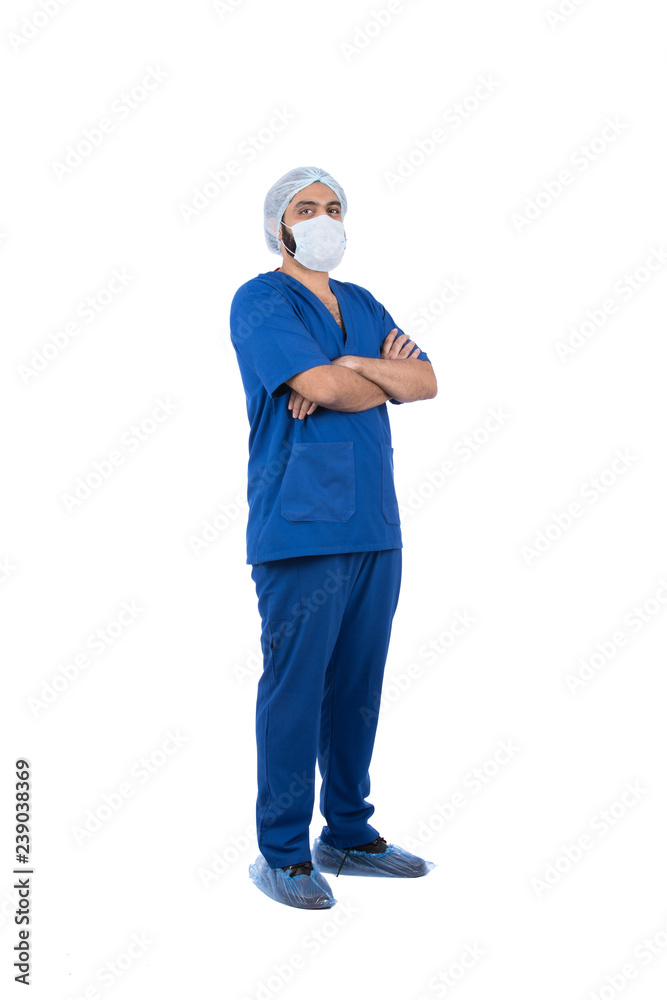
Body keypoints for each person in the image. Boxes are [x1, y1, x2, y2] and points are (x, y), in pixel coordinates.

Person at [230, 166, 437, 910]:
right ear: (279, 226)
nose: (324, 218)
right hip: (300, 528)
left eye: (334, 207)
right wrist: (359, 379)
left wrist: (347, 366)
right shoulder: (260, 300)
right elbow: (319, 388)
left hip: (374, 526)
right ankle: (283, 854)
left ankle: (347, 833)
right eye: (306, 208)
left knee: (357, 687)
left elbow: (425, 382)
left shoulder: (362, 302)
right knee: (295, 691)